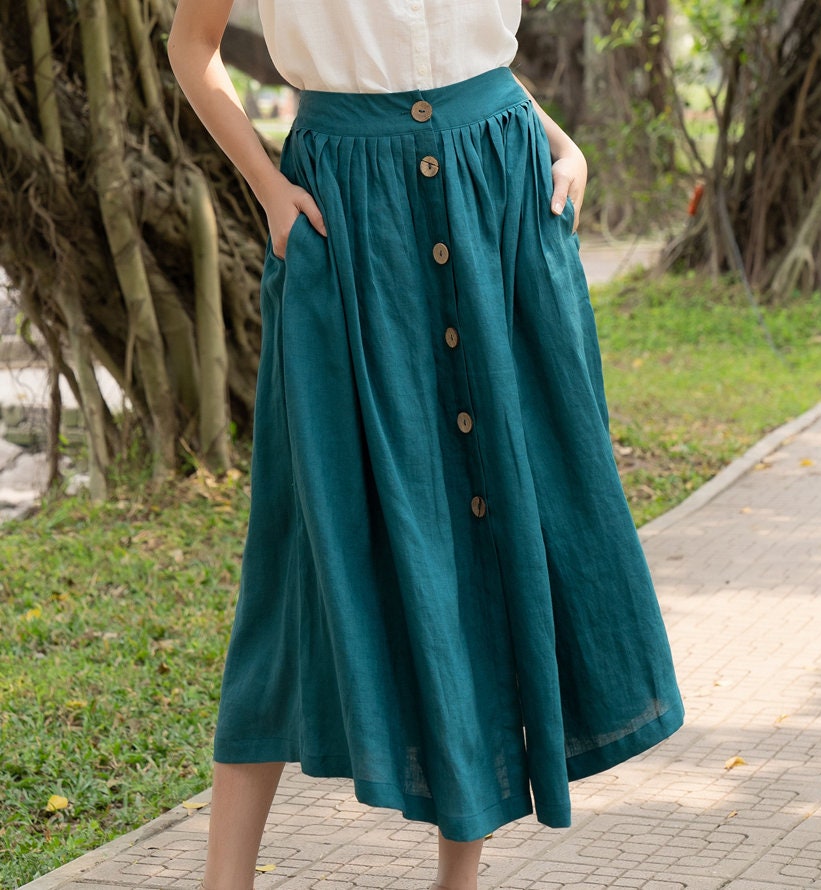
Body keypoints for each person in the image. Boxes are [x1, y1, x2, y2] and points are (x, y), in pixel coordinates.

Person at [168, 2, 684, 888]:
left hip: (500, 195)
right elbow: (192, 47)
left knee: (492, 525)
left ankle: (460, 881)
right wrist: (267, 189)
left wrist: (563, 141)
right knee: (304, 542)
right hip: (346, 215)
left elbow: (466, 59)